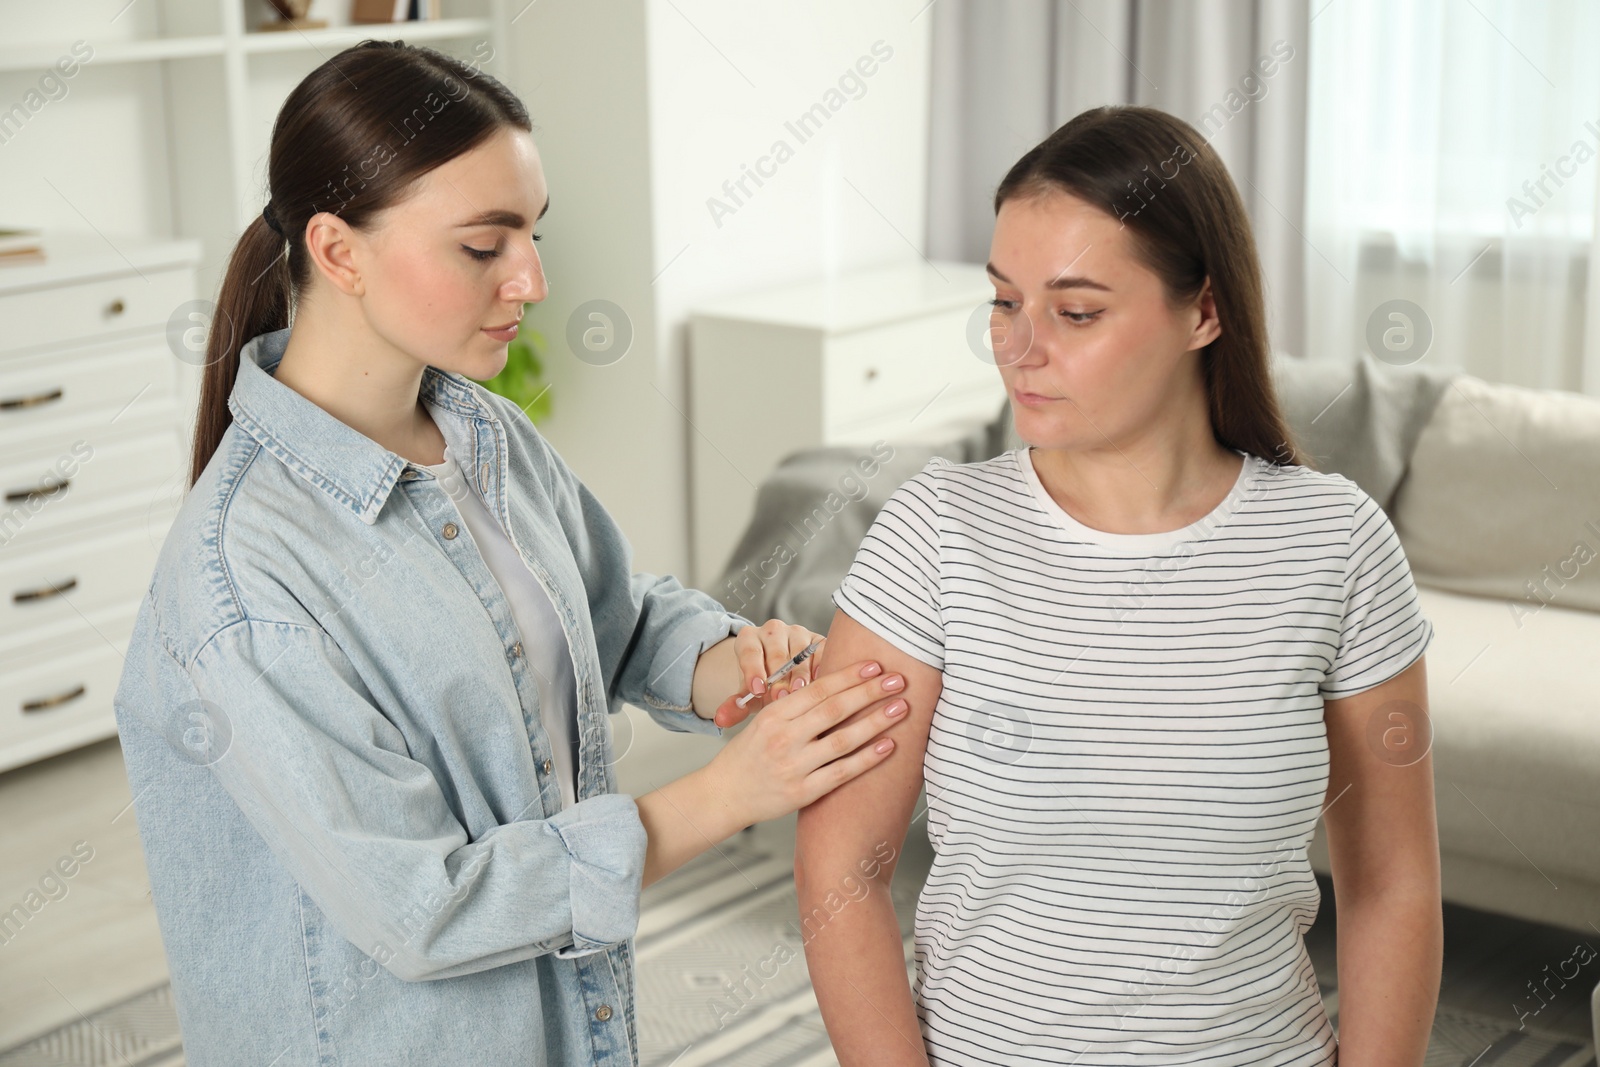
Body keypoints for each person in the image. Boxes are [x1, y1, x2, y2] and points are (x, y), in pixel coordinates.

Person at [112, 40, 910, 1066]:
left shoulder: (483, 435)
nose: (531, 278)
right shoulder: (243, 579)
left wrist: (736, 665)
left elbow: (611, 614)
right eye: (483, 246)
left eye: (531, 234)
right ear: (337, 249)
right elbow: (422, 904)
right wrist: (727, 793)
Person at [780, 106, 1443, 1065]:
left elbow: (1392, 883)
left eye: (1076, 310)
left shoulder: (1336, 544)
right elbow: (840, 866)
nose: (1019, 344)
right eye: (1004, 301)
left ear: (1204, 311)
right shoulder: (933, 534)